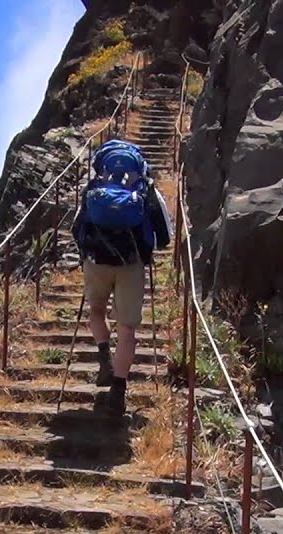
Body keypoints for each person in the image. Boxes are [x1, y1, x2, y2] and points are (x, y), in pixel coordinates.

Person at [73, 139, 172, 415]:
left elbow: (76, 226)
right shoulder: (145, 189)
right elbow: (165, 234)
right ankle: (118, 390)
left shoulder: (93, 188)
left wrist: (86, 252)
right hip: (131, 264)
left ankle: (104, 356)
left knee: (96, 310)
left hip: (96, 262)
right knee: (127, 329)